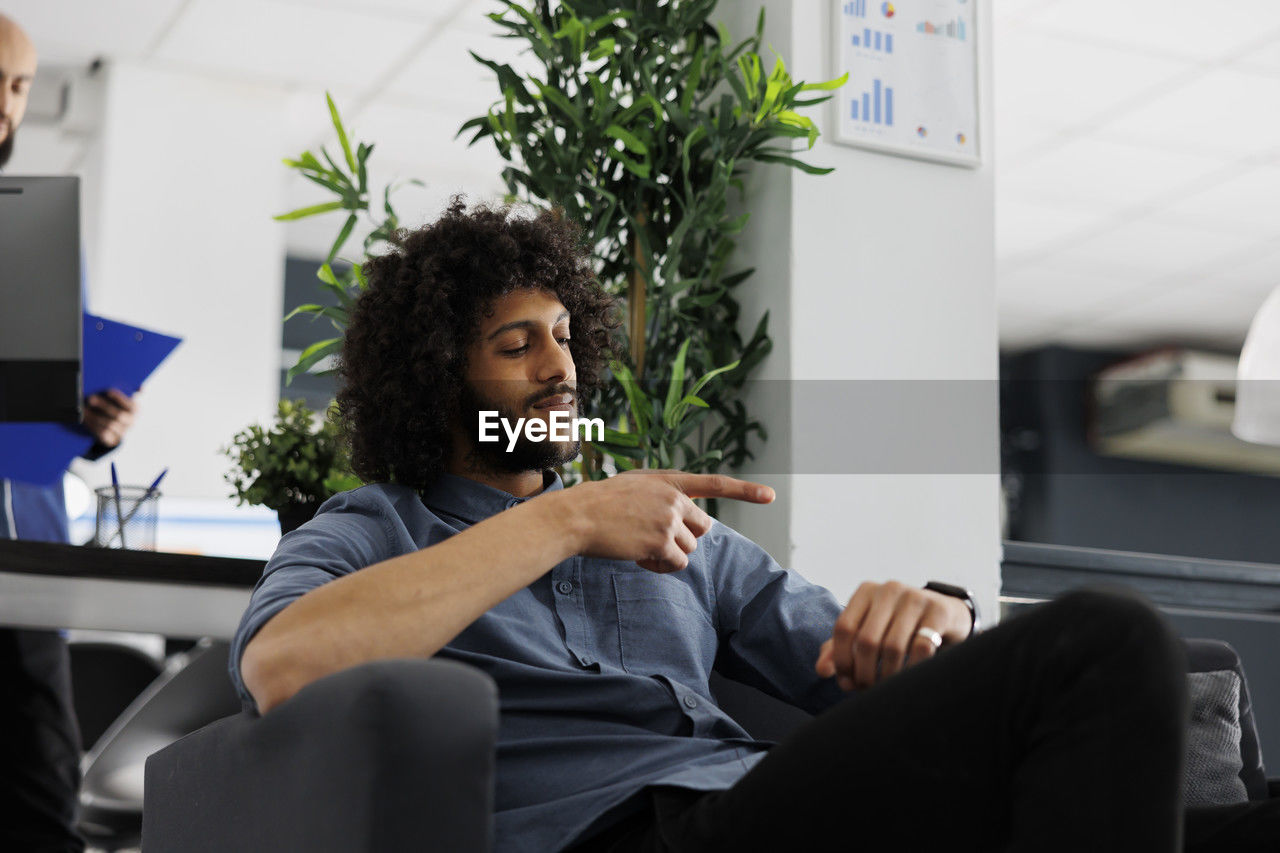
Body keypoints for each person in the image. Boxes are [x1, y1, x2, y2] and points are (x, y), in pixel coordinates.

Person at [229, 200, 1268, 851]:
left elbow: (847, 666)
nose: (558, 367)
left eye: (562, 338)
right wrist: (564, 520)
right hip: (626, 831)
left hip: (768, 804)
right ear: (435, 377)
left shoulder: (681, 539)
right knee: (1106, 635)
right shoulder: (376, 527)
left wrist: (928, 626)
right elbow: (287, 663)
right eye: (514, 344)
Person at [0, 13, 141, 852]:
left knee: (42, 817)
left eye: (18, 85)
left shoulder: (33, 235)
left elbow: (56, 390)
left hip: (27, 576)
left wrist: (101, 423)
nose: (7, 105)